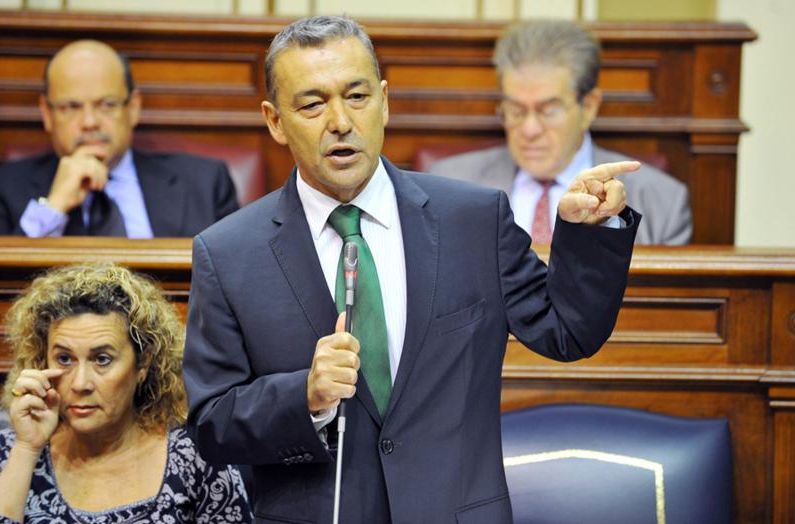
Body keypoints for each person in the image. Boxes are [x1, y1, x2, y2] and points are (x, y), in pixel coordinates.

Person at [183, 15, 640, 523]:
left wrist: (591, 233)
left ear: (384, 101)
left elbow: (568, 333)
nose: (340, 121)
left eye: (356, 97)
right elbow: (210, 423)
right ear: (274, 120)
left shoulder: (472, 218)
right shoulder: (228, 254)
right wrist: (303, 397)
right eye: (313, 104)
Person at [0, 263, 252, 523]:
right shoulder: (7, 452)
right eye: (64, 359)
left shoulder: (196, 457)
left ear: (142, 364)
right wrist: (27, 449)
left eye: (102, 359)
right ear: (42, 362)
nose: (80, 383)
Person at [430, 20, 691, 245]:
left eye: (548, 111)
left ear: (588, 107)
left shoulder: (662, 203)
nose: (529, 130)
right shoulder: (449, 184)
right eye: (516, 110)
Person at [0, 40, 239, 238]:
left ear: (133, 108)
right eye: (71, 107)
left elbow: (233, 279)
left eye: (107, 105)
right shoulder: (4, 187)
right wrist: (53, 207)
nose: (90, 122)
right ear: (47, 114)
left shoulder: (204, 182)